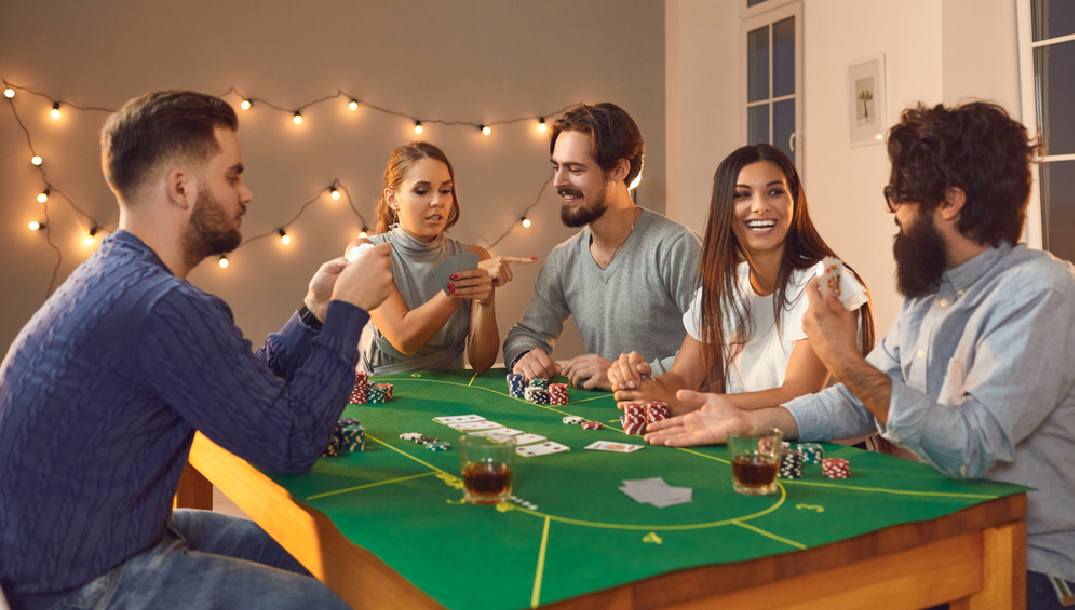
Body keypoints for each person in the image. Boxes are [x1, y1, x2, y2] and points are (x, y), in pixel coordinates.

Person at [644, 102, 1075, 607]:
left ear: (950, 202)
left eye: (898, 195)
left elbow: (972, 444)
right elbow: (859, 402)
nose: (892, 211)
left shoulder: (1040, 291)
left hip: (1034, 563)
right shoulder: (933, 290)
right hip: (948, 531)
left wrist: (844, 361)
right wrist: (752, 423)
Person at [0, 91, 394, 610]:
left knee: (323, 561)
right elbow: (292, 441)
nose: (247, 193)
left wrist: (315, 313)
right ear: (182, 188)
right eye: (233, 176)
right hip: (83, 580)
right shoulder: (162, 305)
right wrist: (349, 313)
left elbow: (239, 394)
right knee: (322, 603)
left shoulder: (118, 275)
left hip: (94, 538)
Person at [607, 144, 873, 414]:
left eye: (775, 192)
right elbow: (682, 379)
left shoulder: (830, 281)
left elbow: (798, 396)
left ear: (795, 200)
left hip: (829, 451)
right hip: (749, 445)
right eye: (742, 195)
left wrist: (695, 405)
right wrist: (640, 382)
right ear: (724, 209)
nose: (760, 207)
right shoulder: (724, 286)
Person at [503, 103, 701, 390]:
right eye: (556, 167)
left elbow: (719, 349)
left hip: (676, 417)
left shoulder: (676, 248)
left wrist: (623, 376)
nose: (559, 182)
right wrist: (525, 353)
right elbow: (527, 333)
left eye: (575, 169)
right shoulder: (564, 259)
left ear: (619, 169)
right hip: (604, 418)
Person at [351, 141, 533, 375]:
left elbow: (481, 362)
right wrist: (459, 284)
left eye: (445, 190)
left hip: (452, 396)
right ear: (392, 199)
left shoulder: (474, 256)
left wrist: (485, 299)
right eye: (421, 190)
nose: (438, 201)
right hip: (386, 395)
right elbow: (404, 339)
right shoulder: (365, 252)